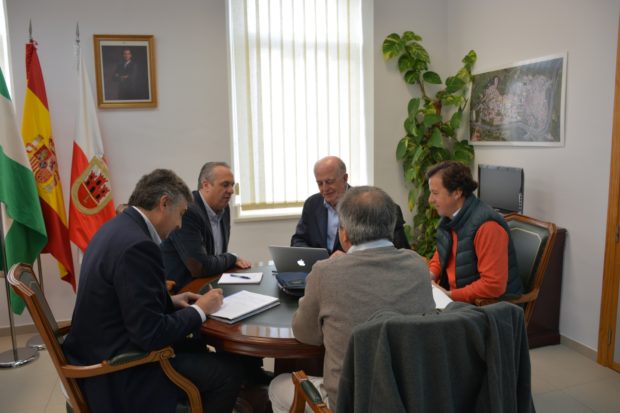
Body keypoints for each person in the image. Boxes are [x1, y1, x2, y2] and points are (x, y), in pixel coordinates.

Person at [63, 169, 244, 413]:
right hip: (120, 370)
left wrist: (171, 300)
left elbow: (125, 299)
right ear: (164, 203)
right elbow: (151, 335)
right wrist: (201, 310)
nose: (179, 224)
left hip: (98, 349)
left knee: (199, 349)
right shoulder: (139, 246)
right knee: (228, 373)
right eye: (181, 214)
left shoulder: (117, 228)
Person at [269, 186, 436, 411]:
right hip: (409, 399)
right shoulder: (417, 265)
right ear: (390, 225)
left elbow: (305, 334)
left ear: (344, 233)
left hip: (350, 402)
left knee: (277, 385)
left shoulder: (325, 272)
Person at [427, 160, 523, 303]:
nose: (430, 200)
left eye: (435, 193)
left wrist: (450, 295)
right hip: (459, 301)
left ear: (457, 193)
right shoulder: (450, 217)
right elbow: (442, 254)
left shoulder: (488, 227)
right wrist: (429, 276)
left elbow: (493, 285)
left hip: (489, 308)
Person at [161, 162, 251, 292]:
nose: (231, 190)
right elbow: (200, 267)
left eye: (232, 185)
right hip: (183, 292)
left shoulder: (224, 208)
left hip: (211, 286)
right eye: (225, 184)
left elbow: (217, 255)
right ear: (206, 185)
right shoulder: (187, 211)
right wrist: (232, 257)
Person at [291, 156, 409, 255]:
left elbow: (395, 250)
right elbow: (298, 240)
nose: (324, 189)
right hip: (320, 267)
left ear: (345, 178)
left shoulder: (367, 205)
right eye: (320, 183)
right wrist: (318, 258)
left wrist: (347, 258)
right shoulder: (312, 204)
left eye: (329, 182)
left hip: (357, 269)